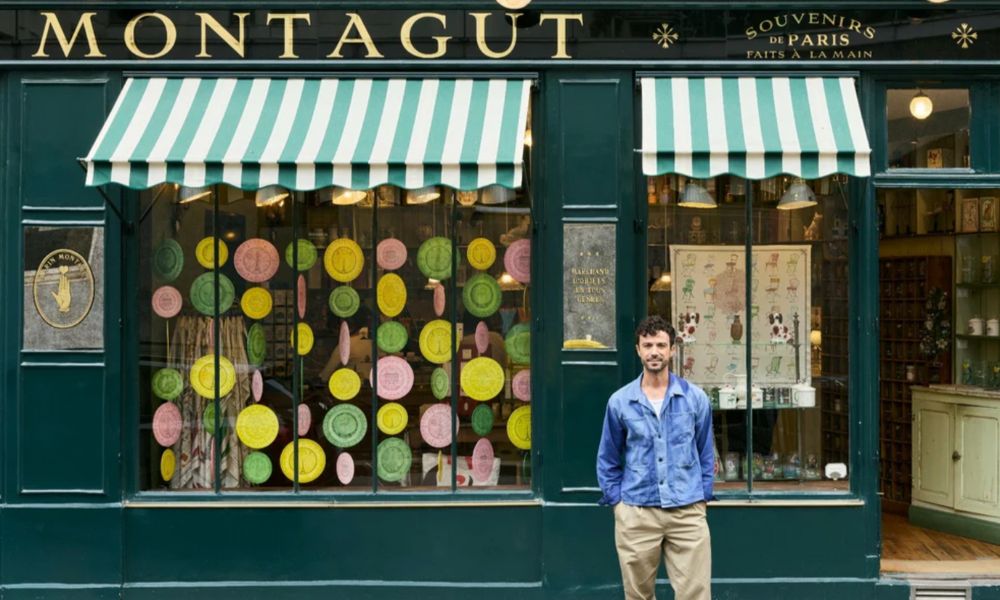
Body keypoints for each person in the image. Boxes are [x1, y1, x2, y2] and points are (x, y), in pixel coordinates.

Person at [597, 315, 714, 600]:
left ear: (672, 349)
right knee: (637, 595)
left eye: (661, 345)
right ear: (638, 350)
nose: (654, 352)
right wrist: (618, 504)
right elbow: (608, 458)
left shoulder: (695, 399)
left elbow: (706, 452)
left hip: (686, 510)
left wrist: (702, 496)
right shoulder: (621, 401)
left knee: (695, 594)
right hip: (637, 510)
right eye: (647, 345)